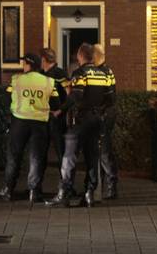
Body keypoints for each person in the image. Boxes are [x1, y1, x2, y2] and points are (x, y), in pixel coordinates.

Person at [46, 43, 114, 208]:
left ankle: (64, 193)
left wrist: (60, 110)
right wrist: (99, 113)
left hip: (82, 120)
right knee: (92, 157)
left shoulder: (80, 73)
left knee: (69, 157)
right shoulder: (105, 73)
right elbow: (111, 99)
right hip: (97, 120)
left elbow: (76, 96)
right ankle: (89, 194)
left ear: (80, 56)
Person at [0, 53, 60, 202]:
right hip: (40, 123)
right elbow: (55, 103)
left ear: (28, 64)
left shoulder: (17, 80)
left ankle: (8, 190)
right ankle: (34, 192)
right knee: (36, 158)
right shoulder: (48, 81)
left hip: (19, 122)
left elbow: (7, 97)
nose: (23, 66)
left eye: (24, 63)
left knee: (14, 156)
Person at [39, 48, 70, 179]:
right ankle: (36, 186)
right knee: (39, 153)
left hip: (56, 119)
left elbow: (69, 93)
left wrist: (61, 110)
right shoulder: (40, 74)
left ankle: (66, 185)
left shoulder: (60, 74)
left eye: (41, 59)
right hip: (42, 118)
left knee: (61, 152)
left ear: (45, 59)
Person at [93, 43, 119, 199]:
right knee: (102, 150)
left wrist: (100, 109)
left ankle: (110, 186)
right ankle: (103, 185)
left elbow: (110, 96)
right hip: (106, 113)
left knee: (104, 151)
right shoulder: (107, 71)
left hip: (104, 115)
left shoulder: (103, 72)